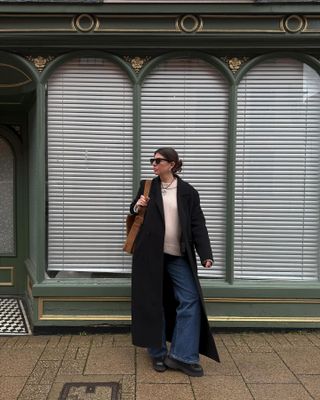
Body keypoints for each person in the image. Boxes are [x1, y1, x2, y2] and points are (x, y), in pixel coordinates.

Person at [130, 147, 220, 377]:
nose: (153, 164)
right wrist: (138, 205)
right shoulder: (148, 186)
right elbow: (133, 211)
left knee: (190, 299)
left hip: (177, 255)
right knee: (154, 302)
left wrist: (205, 254)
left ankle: (181, 356)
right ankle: (158, 354)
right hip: (150, 255)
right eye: (152, 160)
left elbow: (198, 225)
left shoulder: (188, 192)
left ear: (172, 164)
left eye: (158, 160)